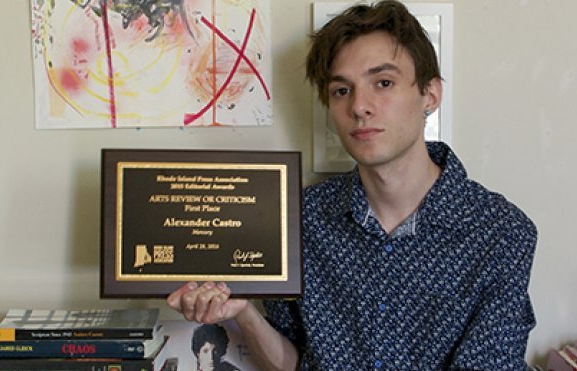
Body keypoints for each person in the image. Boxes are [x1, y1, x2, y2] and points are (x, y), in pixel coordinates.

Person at [167, 1, 538, 370]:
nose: (360, 106)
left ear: (430, 95)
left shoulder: (501, 232)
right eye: (342, 91)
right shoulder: (299, 219)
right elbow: (294, 364)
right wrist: (245, 314)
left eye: (384, 83)